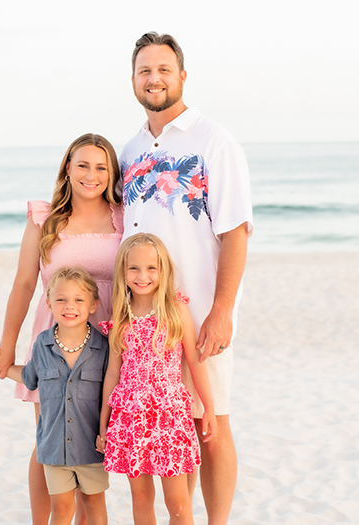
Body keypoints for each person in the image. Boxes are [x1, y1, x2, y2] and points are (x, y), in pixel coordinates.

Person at [120, 32, 253, 524]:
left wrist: (221, 312)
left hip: (198, 313)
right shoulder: (130, 148)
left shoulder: (214, 141)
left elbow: (236, 230)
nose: (154, 78)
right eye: (144, 71)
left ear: (181, 76)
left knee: (210, 421)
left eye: (163, 69)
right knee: (175, 428)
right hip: (145, 320)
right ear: (133, 80)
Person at [0, 133, 123, 525]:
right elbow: (25, 283)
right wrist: (8, 346)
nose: (91, 174)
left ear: (111, 172)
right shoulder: (45, 219)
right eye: (82, 164)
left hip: (107, 341)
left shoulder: (125, 215)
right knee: (50, 438)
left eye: (101, 166)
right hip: (54, 338)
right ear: (67, 167)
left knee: (93, 441)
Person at [96, 233, 217, 525]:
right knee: (140, 498)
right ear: (122, 272)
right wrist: (104, 421)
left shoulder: (175, 310)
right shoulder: (120, 318)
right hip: (131, 419)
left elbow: (195, 361)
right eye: (134, 268)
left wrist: (209, 408)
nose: (142, 276)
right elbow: (113, 373)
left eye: (151, 268)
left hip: (169, 417)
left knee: (177, 503)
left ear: (163, 271)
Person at [0, 267, 109, 525]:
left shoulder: (103, 347)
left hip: (91, 447)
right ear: (49, 304)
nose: (69, 306)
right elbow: (30, 377)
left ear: (93, 305)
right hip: (54, 448)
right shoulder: (42, 344)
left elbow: (112, 391)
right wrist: (0, 367)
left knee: (94, 506)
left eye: (78, 299)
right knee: (61, 508)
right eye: (61, 299)